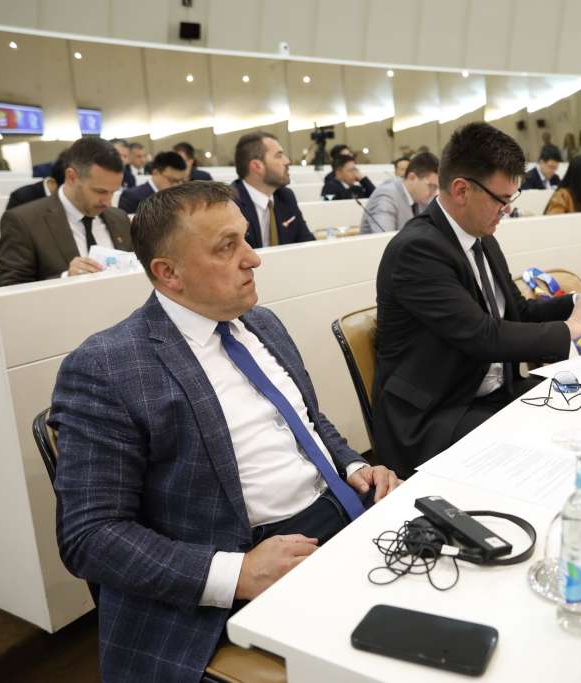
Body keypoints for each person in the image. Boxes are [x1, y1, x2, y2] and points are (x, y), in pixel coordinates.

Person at [51, 181, 401, 683]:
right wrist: (237, 573)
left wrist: (355, 466)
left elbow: (307, 419)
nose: (253, 259)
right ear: (168, 273)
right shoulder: (107, 366)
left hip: (345, 515)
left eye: (246, 238)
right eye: (226, 247)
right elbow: (90, 536)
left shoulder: (261, 323)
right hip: (243, 554)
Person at [372, 122, 581, 476]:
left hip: (488, 396)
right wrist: (571, 328)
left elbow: (517, 311)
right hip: (436, 414)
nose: (506, 210)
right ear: (461, 190)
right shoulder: (417, 250)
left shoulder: (482, 237)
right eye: (501, 200)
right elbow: (482, 336)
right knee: (550, 452)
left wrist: (579, 301)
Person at [0, 138, 132, 287]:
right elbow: (9, 288)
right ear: (71, 177)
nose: (107, 202)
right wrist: (65, 279)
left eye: (113, 192)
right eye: (100, 191)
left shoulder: (119, 218)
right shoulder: (24, 222)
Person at [230, 131, 313, 248]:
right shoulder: (229, 204)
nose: (287, 161)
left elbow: (307, 243)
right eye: (279, 156)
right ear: (257, 166)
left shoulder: (286, 196)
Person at [360, 152, 439, 234]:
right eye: (431, 186)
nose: (434, 193)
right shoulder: (386, 197)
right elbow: (385, 238)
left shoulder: (421, 199)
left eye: (437, 187)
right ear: (412, 178)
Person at [118, 151, 187, 214]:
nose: (177, 185)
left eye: (181, 181)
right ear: (155, 173)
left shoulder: (181, 198)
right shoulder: (131, 197)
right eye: (172, 180)